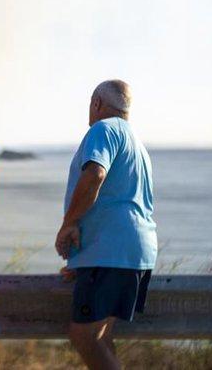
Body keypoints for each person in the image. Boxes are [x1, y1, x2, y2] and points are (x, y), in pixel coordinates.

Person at [55, 79, 157, 370]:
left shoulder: (103, 129)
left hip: (111, 253)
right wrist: (84, 260)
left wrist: (68, 224)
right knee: (101, 335)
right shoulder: (137, 144)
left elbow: (95, 175)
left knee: (83, 335)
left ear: (96, 103)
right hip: (134, 253)